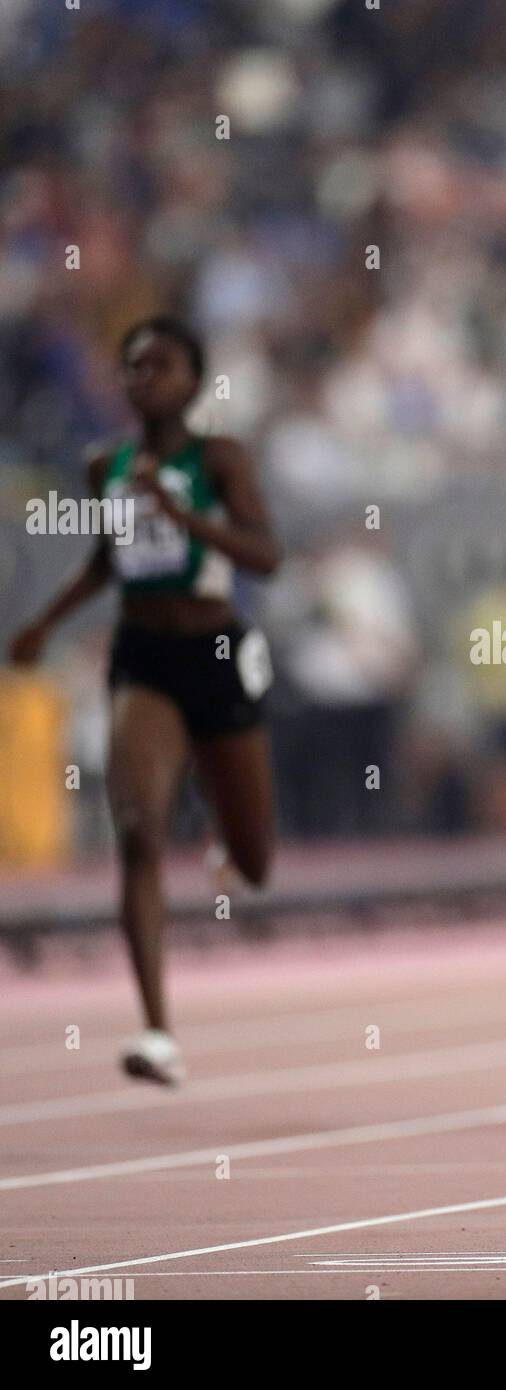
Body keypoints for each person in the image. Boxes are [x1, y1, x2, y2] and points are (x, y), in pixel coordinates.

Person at [9, 317, 281, 1085]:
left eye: (160, 367)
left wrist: (187, 515)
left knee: (256, 864)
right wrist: (44, 624)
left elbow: (268, 554)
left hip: (216, 651)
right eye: (132, 366)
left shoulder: (218, 459)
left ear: (193, 382)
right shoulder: (107, 465)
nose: (143, 379)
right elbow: (106, 562)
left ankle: (228, 835)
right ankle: (158, 1030)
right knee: (137, 831)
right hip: (145, 656)